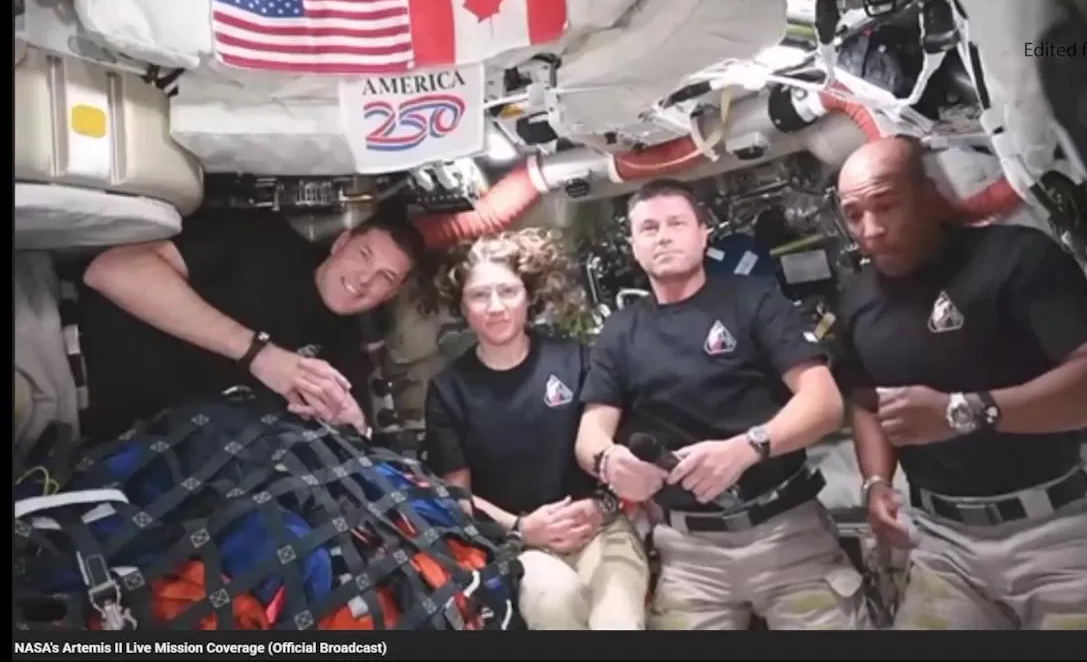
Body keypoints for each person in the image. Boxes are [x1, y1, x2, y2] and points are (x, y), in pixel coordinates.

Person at [833, 135, 1087, 630]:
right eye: (854, 214)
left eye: (886, 205)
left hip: (1053, 534)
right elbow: (865, 401)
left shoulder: (1013, 258)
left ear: (929, 194)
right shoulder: (858, 300)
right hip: (941, 543)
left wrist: (961, 411)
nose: (870, 230)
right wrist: (876, 481)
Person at [574, 179, 859, 631]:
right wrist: (609, 462)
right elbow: (590, 435)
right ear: (634, 248)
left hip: (787, 535)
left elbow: (824, 403)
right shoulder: (619, 333)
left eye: (676, 223)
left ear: (703, 234)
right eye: (649, 228)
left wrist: (748, 448)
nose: (663, 236)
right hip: (688, 556)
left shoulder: (754, 300)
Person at [18, 205, 430, 455]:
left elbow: (351, 450)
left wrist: (353, 426)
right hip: (50, 345)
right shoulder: (265, 242)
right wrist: (258, 354)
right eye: (363, 255)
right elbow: (113, 270)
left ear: (391, 293)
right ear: (340, 243)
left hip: (77, 448)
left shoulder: (346, 357)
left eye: (385, 277)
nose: (365, 279)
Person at [418, 229, 649, 631]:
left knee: (618, 616)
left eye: (508, 291)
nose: (495, 307)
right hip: (519, 543)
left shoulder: (578, 361)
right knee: (553, 600)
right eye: (479, 295)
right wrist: (522, 528)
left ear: (528, 296)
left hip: (598, 529)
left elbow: (619, 455)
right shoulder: (449, 390)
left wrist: (603, 506)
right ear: (463, 307)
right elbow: (458, 497)